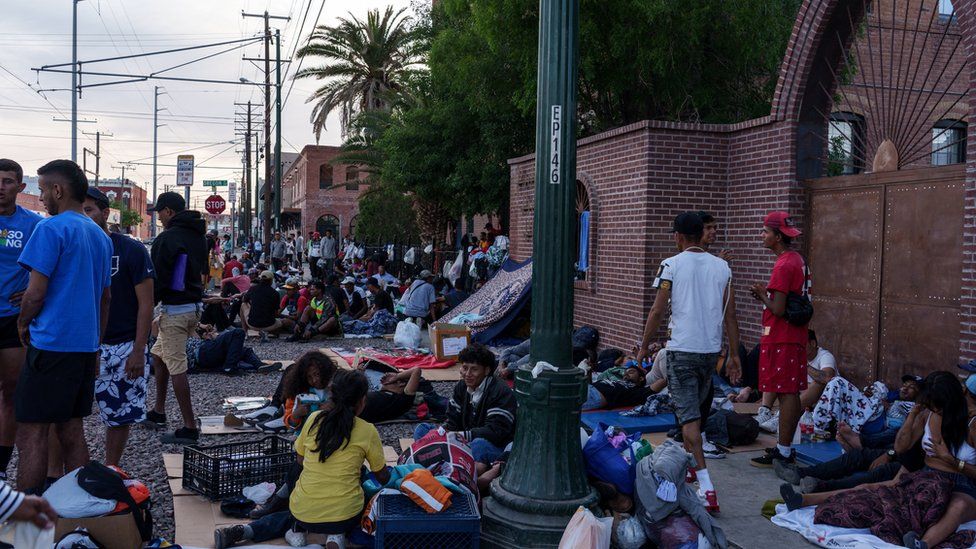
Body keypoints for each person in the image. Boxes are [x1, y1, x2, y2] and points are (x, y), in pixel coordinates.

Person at [778, 372, 976, 549]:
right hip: (925, 478)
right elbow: (900, 447)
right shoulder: (927, 414)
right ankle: (803, 500)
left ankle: (923, 544)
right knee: (873, 490)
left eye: (937, 406)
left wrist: (950, 460)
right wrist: (913, 415)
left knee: (956, 508)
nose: (935, 409)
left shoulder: (971, 423)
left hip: (960, 484)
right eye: (930, 405)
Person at [14, 160, 112, 491]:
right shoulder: (99, 236)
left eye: (42, 189)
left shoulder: (50, 229)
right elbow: (105, 298)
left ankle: (24, 520)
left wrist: (22, 323)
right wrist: (96, 343)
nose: (40, 197)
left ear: (58, 190)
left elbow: (35, 293)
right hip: (84, 347)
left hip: (51, 343)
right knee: (72, 428)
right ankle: (76, 509)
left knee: (32, 431)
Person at [635, 211, 741, 513]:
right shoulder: (723, 268)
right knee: (690, 415)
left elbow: (657, 311)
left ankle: (707, 488)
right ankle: (691, 466)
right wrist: (734, 356)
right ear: (701, 234)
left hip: (681, 351)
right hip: (710, 352)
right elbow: (731, 315)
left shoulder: (670, 265)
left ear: (679, 237)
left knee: (690, 422)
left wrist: (643, 346)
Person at [82, 188, 154, 467]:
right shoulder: (73, 246)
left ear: (105, 212)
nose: (84, 217)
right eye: (80, 211)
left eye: (89, 210)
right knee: (66, 416)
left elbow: (146, 305)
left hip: (122, 345)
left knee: (119, 414)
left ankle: (112, 469)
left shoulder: (131, 249)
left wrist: (138, 350)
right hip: (80, 343)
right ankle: (73, 474)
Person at [145, 191, 209, 445]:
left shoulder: (167, 239)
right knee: (159, 356)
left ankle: (189, 427)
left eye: (159, 212)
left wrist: (146, 307)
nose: (158, 217)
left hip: (175, 310)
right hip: (193, 306)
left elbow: (157, 279)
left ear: (169, 211)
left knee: (176, 366)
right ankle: (158, 411)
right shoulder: (199, 235)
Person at [749, 211, 810, 468]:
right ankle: (783, 448)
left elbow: (777, 309)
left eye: (765, 232)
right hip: (791, 336)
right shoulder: (796, 259)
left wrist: (762, 295)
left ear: (777, 236)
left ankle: (783, 451)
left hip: (782, 337)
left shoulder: (784, 264)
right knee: (788, 390)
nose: (762, 236)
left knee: (786, 392)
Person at [0, 159, 42, 480]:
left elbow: (47, 266)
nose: (1, 186)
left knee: (11, 392)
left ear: (20, 187)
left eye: (8, 181)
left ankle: (1, 467)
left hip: (12, 319)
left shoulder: (33, 224)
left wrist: (30, 288)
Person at [413, 344, 516, 465]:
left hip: (493, 445)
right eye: (465, 368)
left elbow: (495, 432)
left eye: (474, 369)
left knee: (478, 445)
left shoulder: (500, 392)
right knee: (422, 430)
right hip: (464, 440)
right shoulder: (462, 387)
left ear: (487, 370)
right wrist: (442, 432)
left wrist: (460, 435)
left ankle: (445, 461)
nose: (467, 374)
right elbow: (452, 421)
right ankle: (449, 460)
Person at [836, 374, 923, 451]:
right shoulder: (894, 396)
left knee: (895, 433)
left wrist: (889, 408)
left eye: (912, 387)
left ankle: (859, 443)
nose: (905, 388)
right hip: (876, 425)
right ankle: (855, 443)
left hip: (889, 433)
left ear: (919, 393)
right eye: (904, 384)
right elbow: (879, 399)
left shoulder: (916, 407)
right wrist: (867, 396)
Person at [185, 324, 274, 375]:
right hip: (201, 352)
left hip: (205, 352)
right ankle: (229, 367)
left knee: (244, 350)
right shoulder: (178, 332)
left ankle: (259, 365)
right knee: (238, 332)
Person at [242, 271, 294, 337]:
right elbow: (276, 314)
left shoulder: (253, 289)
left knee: (243, 305)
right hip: (269, 325)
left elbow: (244, 300)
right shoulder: (275, 293)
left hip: (252, 324)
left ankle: (244, 333)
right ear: (271, 281)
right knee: (287, 322)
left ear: (260, 279)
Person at [582, 365, 653, 410]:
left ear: (641, 378)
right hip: (588, 388)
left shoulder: (637, 391)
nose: (626, 375)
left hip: (593, 395)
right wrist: (588, 373)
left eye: (631, 372)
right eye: (625, 374)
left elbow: (660, 382)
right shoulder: (618, 382)